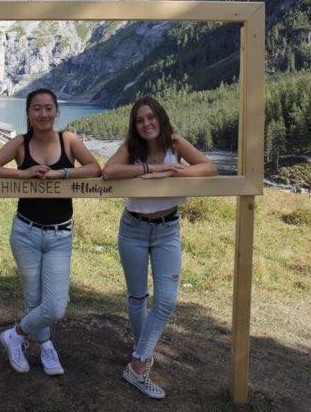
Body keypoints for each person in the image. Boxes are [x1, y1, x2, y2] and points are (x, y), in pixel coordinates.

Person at [102, 96, 217, 399]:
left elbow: (208, 168)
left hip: (168, 229)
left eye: (151, 117)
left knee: (166, 300)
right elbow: (109, 172)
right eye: (140, 120)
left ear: (160, 118)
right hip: (134, 228)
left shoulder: (175, 143)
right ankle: (143, 356)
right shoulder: (132, 148)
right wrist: (146, 171)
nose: (146, 124)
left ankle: (138, 362)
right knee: (137, 296)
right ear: (134, 125)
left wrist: (176, 172)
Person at [0, 88, 101, 375]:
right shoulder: (20, 143)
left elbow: (95, 168)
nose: (43, 113)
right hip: (25, 231)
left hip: (60, 234)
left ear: (56, 112)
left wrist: (63, 173)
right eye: (37, 108)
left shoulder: (68, 140)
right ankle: (45, 347)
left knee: (56, 305)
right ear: (29, 113)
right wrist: (21, 173)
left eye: (48, 108)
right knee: (33, 298)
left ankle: (15, 335)